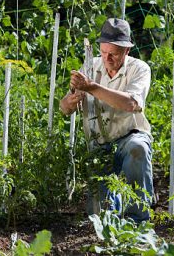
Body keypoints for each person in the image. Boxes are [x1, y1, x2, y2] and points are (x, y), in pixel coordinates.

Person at [59, 18, 153, 222]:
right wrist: (71, 100)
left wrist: (92, 87)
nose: (107, 58)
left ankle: (138, 219)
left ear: (126, 51)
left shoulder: (140, 69)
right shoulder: (90, 66)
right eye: (103, 52)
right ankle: (115, 203)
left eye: (113, 54)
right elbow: (64, 108)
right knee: (98, 216)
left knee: (139, 149)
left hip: (130, 136)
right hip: (100, 144)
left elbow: (131, 104)